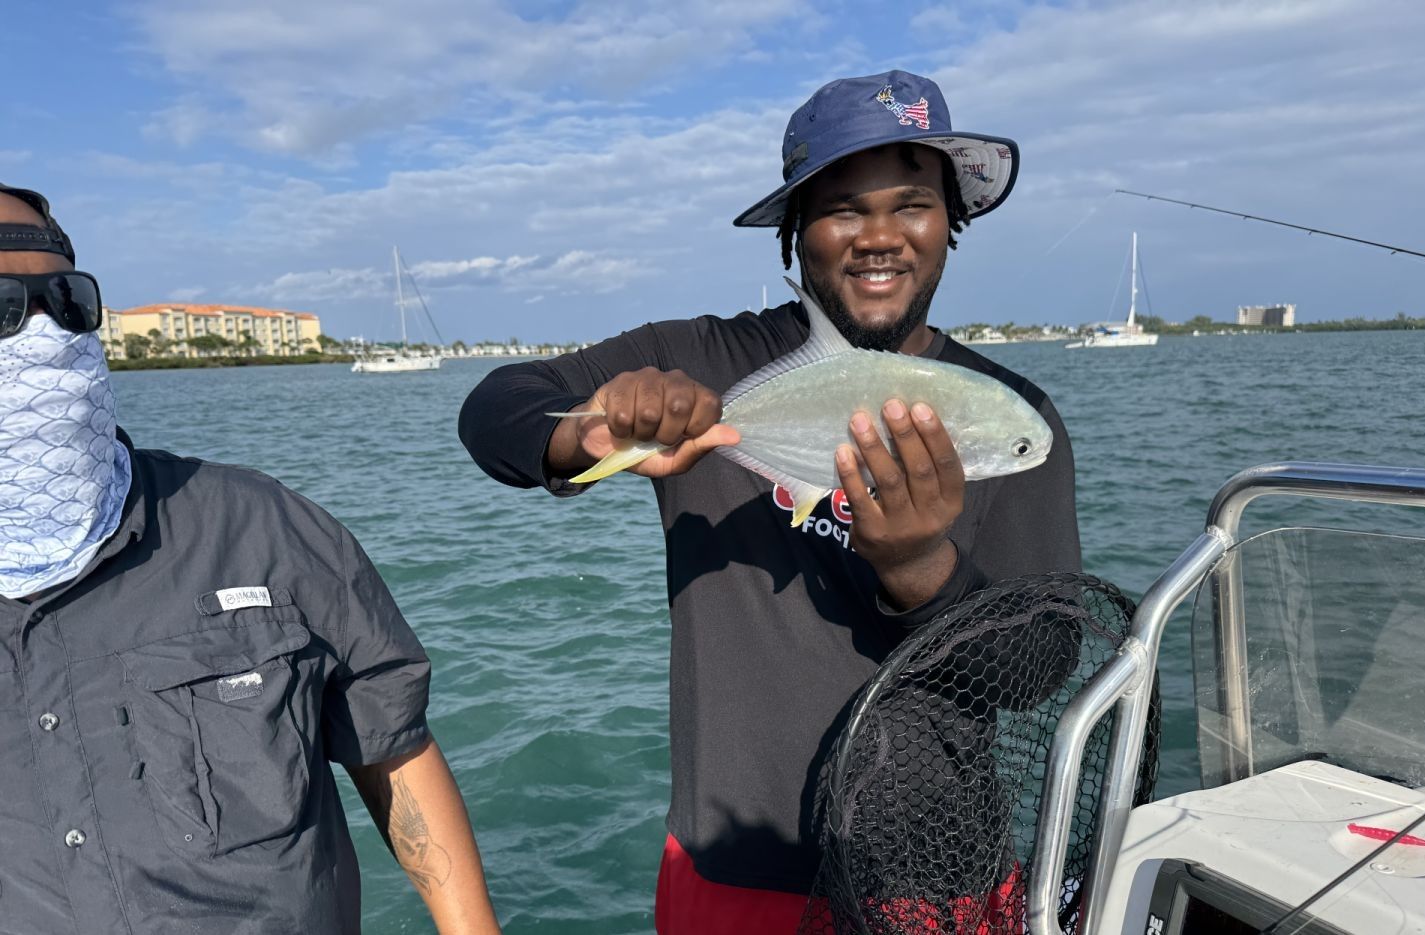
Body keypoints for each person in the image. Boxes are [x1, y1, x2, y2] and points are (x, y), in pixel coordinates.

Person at [458, 69, 1080, 933]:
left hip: (937, 869)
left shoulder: (1007, 415)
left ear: (952, 222)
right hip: (736, 865)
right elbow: (493, 410)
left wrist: (920, 570)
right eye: (841, 209)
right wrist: (585, 437)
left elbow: (1041, 663)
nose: (879, 238)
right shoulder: (702, 362)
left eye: (912, 205)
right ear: (796, 231)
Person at [0, 184, 502, 935]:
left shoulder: (263, 527)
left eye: (65, 299)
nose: (44, 333)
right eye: (3, 305)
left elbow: (392, 746)